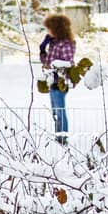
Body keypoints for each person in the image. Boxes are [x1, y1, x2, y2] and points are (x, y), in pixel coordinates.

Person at [40, 13, 77, 145]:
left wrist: (55, 67)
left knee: (60, 111)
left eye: (49, 28)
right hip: (52, 81)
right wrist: (43, 49)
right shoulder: (54, 43)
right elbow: (47, 62)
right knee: (55, 111)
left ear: (56, 29)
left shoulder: (66, 44)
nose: (47, 31)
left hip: (60, 82)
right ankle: (58, 135)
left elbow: (68, 63)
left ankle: (62, 137)